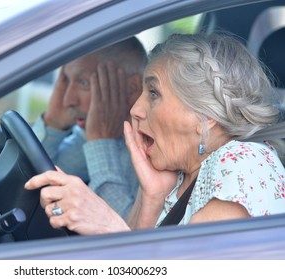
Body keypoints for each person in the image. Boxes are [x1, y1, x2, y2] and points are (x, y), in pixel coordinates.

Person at [25, 32, 285, 235]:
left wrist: (107, 224)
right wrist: (151, 196)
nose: (136, 109)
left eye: (153, 93)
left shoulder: (242, 163)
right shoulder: (180, 174)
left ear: (206, 116)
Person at [32, 37, 147, 219]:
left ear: (132, 87)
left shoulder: (153, 148)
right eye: (67, 82)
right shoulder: (87, 134)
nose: (68, 100)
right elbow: (36, 180)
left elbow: (125, 228)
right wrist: (53, 122)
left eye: (83, 83)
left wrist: (101, 142)